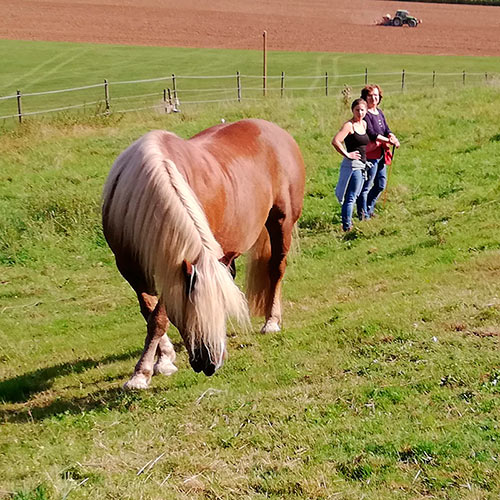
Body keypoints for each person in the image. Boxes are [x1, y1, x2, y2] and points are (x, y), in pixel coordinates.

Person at [356, 84, 400, 220]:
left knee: (381, 184)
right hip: (370, 155)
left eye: (376, 95)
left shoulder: (379, 112)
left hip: (381, 153)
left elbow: (386, 128)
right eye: (370, 95)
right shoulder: (365, 115)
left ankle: (369, 208)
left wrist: (392, 136)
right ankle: (363, 214)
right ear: (365, 97)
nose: (373, 98)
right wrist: (388, 140)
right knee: (366, 186)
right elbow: (372, 134)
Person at [332, 98, 370, 232]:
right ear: (352, 110)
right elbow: (336, 141)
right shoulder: (349, 125)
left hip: (362, 165)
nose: (360, 113)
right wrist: (347, 154)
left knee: (357, 194)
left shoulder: (364, 124)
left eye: (362, 110)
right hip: (353, 166)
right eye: (357, 110)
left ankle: (359, 218)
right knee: (351, 197)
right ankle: (347, 226)